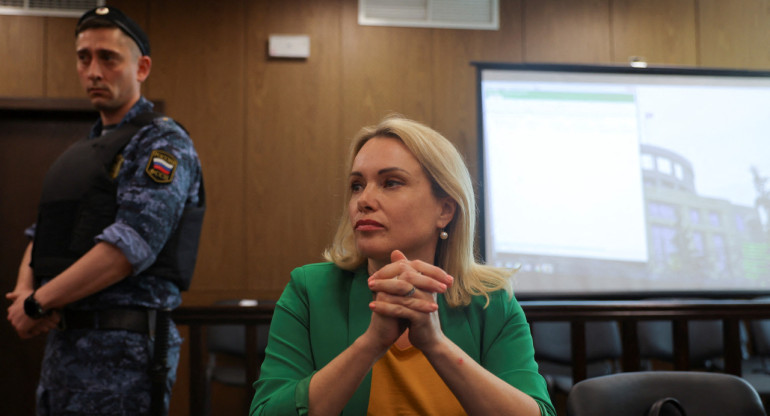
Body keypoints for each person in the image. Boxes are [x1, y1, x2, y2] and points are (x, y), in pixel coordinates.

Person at [250, 116, 555, 415]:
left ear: (445, 210)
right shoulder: (310, 290)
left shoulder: (491, 300)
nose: (364, 200)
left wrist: (435, 344)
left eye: (390, 183)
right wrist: (371, 343)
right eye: (357, 186)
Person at [5, 6, 205, 416]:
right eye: (84, 58)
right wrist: (24, 292)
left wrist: (36, 303)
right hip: (64, 348)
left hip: (125, 353)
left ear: (142, 66)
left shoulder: (163, 144)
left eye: (108, 58)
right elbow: (42, 231)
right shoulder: (84, 151)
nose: (94, 71)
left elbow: (130, 245)